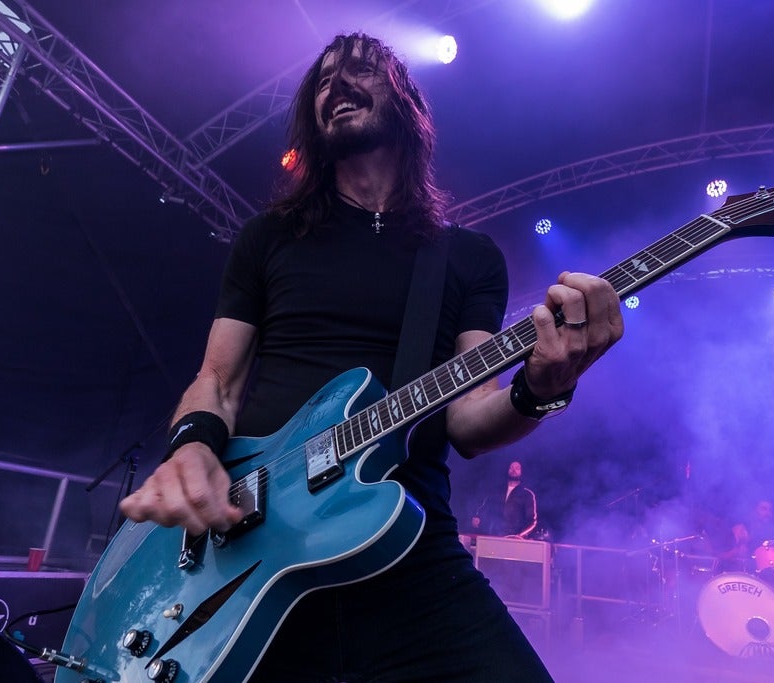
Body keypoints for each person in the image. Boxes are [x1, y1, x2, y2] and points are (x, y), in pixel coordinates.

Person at [118, 32, 623, 682]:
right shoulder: (270, 237)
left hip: (409, 546)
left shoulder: (467, 257)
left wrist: (541, 390)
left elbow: (470, 418)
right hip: (257, 542)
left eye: (359, 68)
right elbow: (216, 380)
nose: (335, 84)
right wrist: (191, 447)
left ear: (406, 98)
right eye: (323, 79)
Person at [471, 460, 539, 538]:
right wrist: (478, 516)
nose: (514, 470)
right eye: (511, 467)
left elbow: (532, 522)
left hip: (514, 539)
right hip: (494, 536)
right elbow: (485, 506)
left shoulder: (527, 494)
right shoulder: (497, 490)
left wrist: (519, 536)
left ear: (522, 472)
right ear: (507, 470)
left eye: (517, 468)